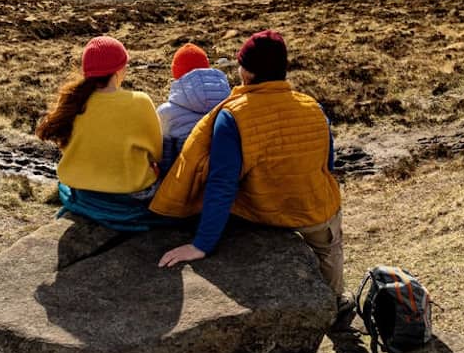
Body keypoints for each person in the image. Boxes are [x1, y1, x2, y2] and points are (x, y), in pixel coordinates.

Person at [150, 31, 345, 300]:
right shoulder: (313, 107)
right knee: (330, 251)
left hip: (262, 212)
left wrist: (202, 245)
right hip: (315, 209)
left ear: (245, 71)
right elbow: (328, 162)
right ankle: (336, 305)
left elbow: (222, 183)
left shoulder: (233, 115)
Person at [36, 36, 164, 230]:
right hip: (130, 198)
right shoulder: (140, 102)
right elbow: (157, 154)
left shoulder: (74, 103)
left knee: (64, 187)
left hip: (85, 193)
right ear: (119, 70)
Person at [156, 43, 233, 176]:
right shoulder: (231, 102)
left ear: (176, 74)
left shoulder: (166, 113)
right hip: (225, 180)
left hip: (184, 183)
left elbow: (165, 160)